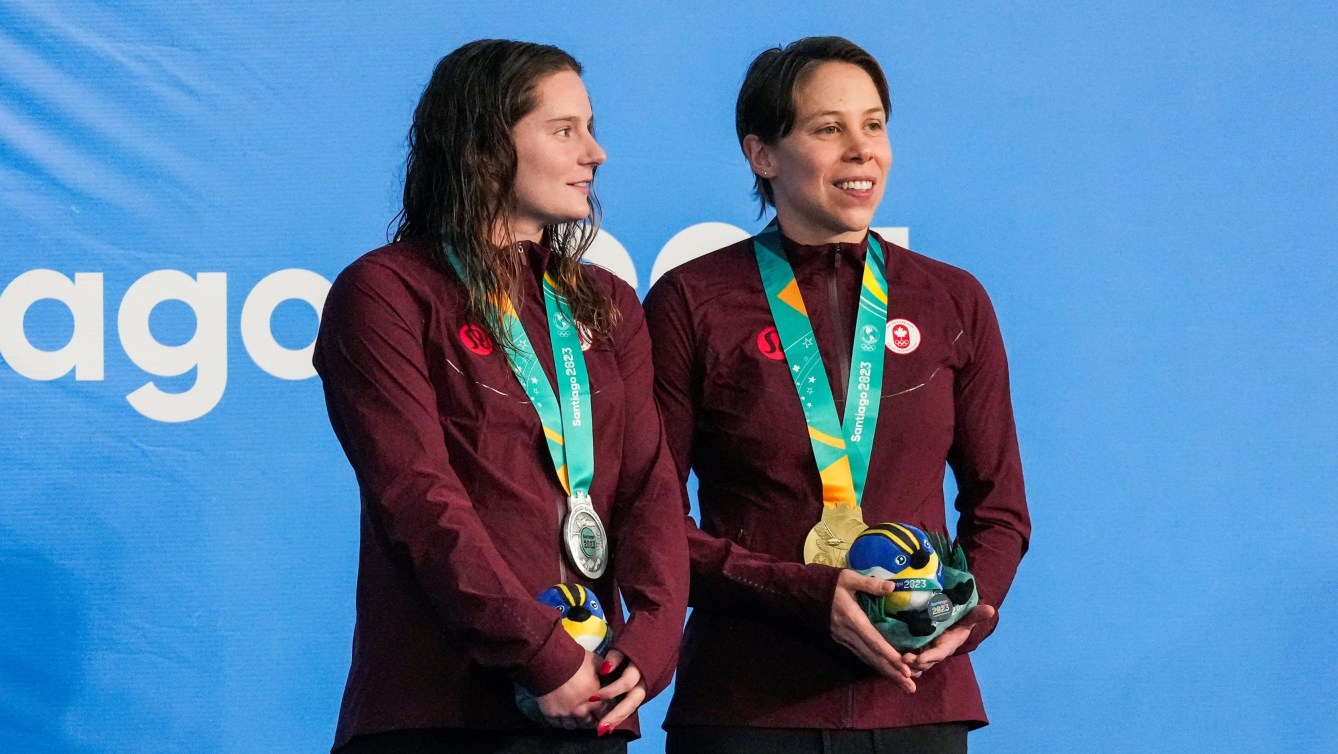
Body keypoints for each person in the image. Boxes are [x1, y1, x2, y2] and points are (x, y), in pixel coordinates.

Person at [644, 37, 1030, 753]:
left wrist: (959, 618)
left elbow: (1001, 508)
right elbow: (652, 520)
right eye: (829, 128)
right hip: (747, 705)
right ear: (762, 154)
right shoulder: (692, 302)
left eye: (874, 125)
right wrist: (802, 592)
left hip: (918, 700)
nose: (862, 150)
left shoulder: (952, 299)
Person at [314, 39, 688, 754]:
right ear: (486, 147)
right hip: (440, 712)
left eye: (591, 126)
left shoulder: (606, 302)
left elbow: (650, 487)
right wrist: (540, 653)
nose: (596, 152)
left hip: (593, 703)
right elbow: (417, 498)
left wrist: (651, 644)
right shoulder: (387, 292)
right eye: (565, 130)